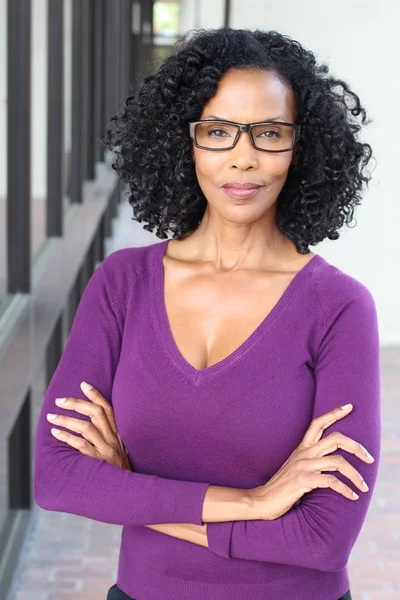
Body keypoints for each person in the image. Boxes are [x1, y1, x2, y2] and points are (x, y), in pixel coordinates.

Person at [33, 27, 380, 600]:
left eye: (269, 133)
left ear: (301, 147)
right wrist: (255, 504)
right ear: (184, 141)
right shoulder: (122, 284)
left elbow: (322, 539)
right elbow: (56, 476)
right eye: (218, 131)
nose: (243, 158)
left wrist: (131, 489)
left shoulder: (338, 308)